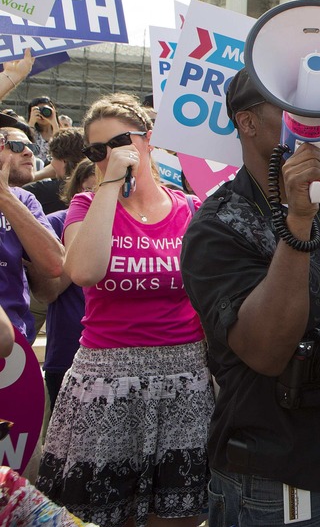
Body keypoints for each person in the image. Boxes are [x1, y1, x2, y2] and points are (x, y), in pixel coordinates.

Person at [180, 69, 320, 527]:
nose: (310, 122)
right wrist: (297, 222)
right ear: (247, 122)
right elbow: (266, 349)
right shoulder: (217, 225)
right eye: (291, 109)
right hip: (277, 473)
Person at [37, 94, 212, 527]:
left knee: (177, 517)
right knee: (101, 517)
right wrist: (110, 185)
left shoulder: (190, 210)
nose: (108, 156)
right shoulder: (86, 205)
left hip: (183, 381)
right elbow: (82, 271)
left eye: (120, 142)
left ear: (148, 139)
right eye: (97, 151)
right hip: (106, 382)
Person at [30, 160, 96, 408]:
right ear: (78, 191)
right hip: (68, 351)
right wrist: (86, 237)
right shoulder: (54, 223)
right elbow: (49, 291)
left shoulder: (132, 224)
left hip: (118, 353)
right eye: (92, 190)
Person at [0, 113, 64, 343]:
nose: (28, 152)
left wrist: (4, 196)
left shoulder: (24, 200)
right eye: (15, 146)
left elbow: (54, 269)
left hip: (13, 343)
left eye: (30, 146)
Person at [23, 127, 86, 214]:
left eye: (52, 158)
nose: (51, 163)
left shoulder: (43, 191)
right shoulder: (97, 185)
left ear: (64, 161)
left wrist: (35, 175)